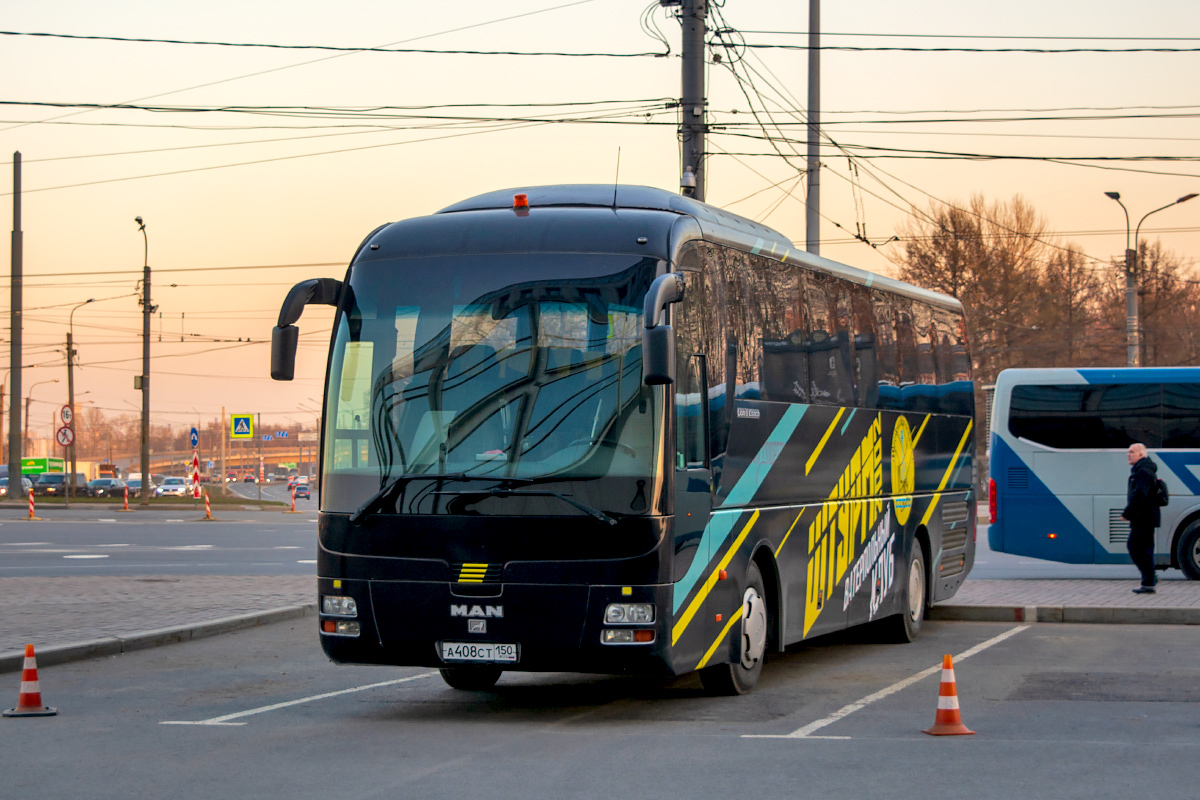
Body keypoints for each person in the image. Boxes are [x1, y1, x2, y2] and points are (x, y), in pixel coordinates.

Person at [1121, 442, 1160, 594]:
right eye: (1128, 452)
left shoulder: (1142, 471)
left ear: (1141, 455)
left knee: (1136, 547)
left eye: (1131, 452)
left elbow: (1139, 495)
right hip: (1146, 517)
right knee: (1143, 548)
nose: (1128, 454)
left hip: (1143, 517)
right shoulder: (1144, 469)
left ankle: (1149, 580)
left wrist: (1127, 513)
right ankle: (1149, 580)